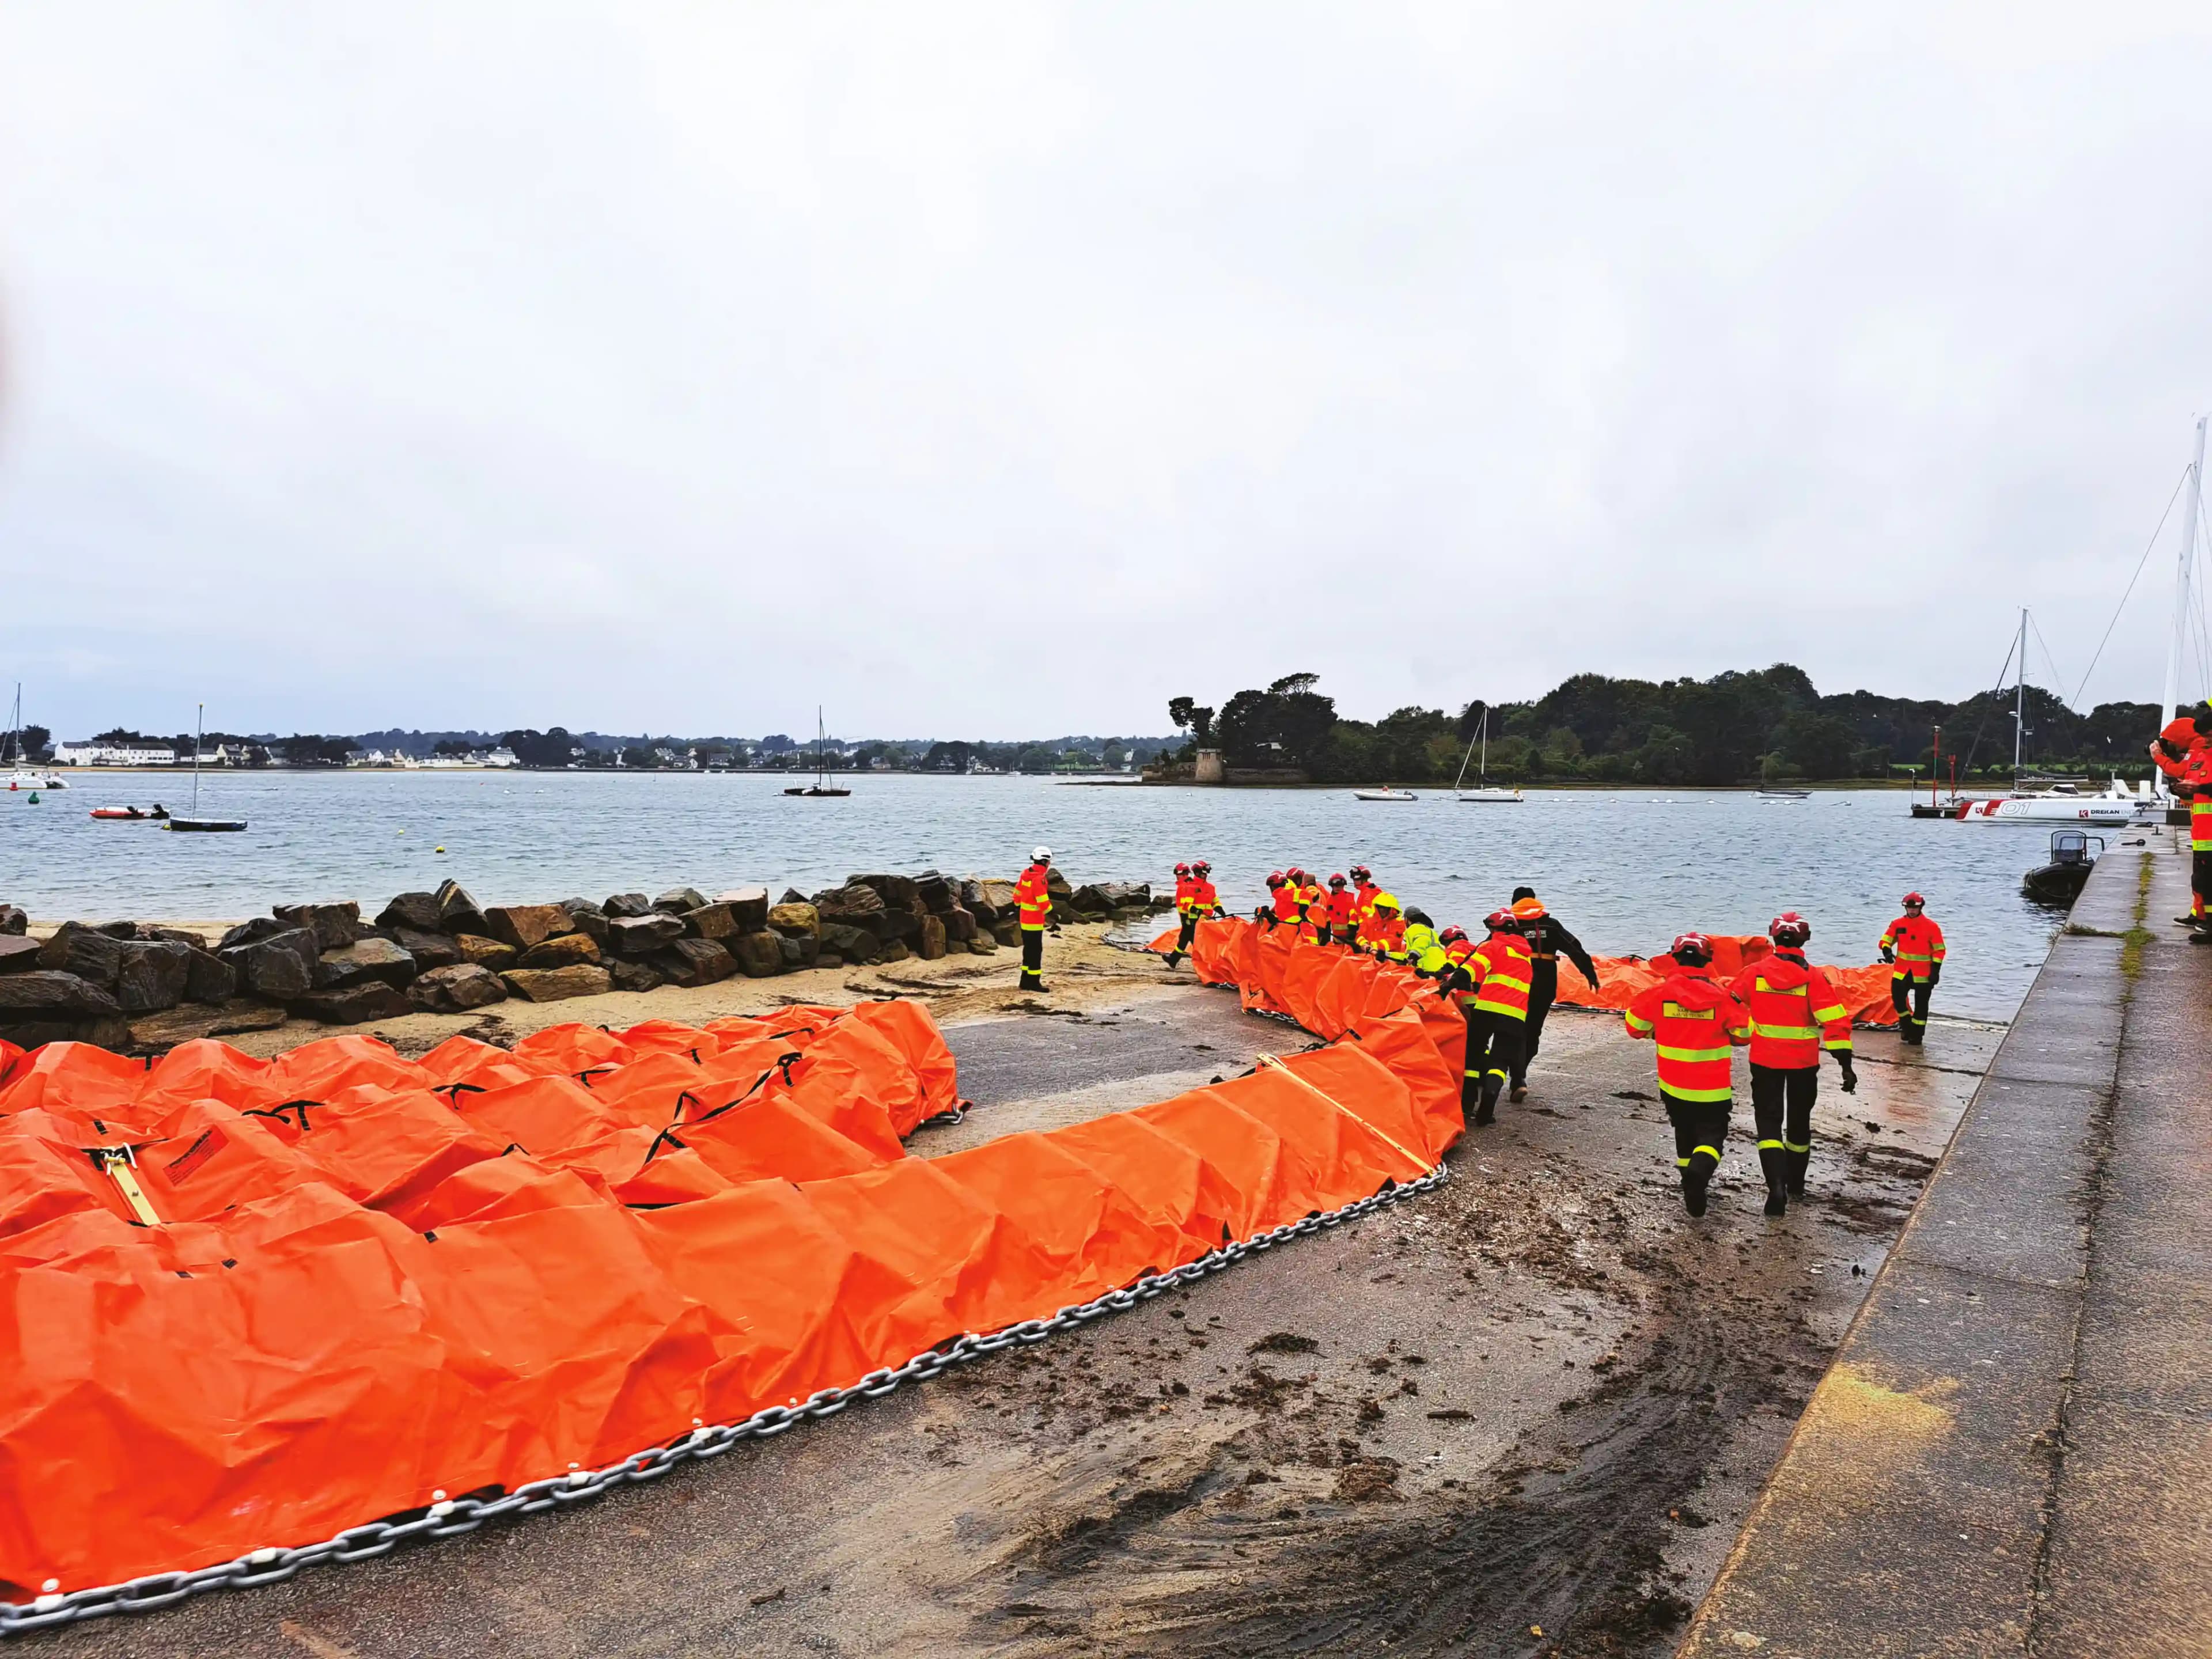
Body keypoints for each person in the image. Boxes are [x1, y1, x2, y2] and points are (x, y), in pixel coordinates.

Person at [1728, 912, 1858, 1215]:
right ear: (1806, 939)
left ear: (1772, 937)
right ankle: (1796, 1184)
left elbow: (1727, 1004)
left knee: (1769, 1124)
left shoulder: (1754, 973)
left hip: (1765, 1060)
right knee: (1799, 1124)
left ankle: (1776, 1185)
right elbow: (1836, 1025)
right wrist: (1846, 1065)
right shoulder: (1815, 978)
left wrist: (1737, 1034)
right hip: (1803, 1063)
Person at [1624, 932, 1752, 1216]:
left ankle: (1689, 1187)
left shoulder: (1659, 994)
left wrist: (1658, 1030)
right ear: (1708, 960)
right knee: (1712, 1136)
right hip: (1712, 1087)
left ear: (1675, 957)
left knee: (1683, 1132)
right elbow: (1744, 1034)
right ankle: (1698, 1176)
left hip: (1673, 1085)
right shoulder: (1723, 997)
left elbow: (1634, 1026)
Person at [1439, 910, 1533, 1126]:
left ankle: (1467, 1104)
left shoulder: (1492, 946)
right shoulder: (1525, 958)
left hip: (1487, 1010)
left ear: (1494, 929)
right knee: (1500, 1061)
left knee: (1474, 1053)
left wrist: (1447, 986)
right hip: (1516, 1016)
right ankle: (1488, 1102)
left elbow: (1469, 971)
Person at [1506, 889, 1600, 1103]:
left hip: (1517, 984)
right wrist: (1590, 974)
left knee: (1513, 1031)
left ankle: (1512, 1076)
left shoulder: (1511, 925)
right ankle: (1518, 1078)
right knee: (1533, 1032)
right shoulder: (1551, 925)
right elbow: (1575, 949)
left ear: (1514, 903)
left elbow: (1487, 949)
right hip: (1545, 984)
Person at [2150, 717, 2212, 929]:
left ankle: (2206, 920)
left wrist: (2158, 758)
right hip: (2202, 829)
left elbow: (2185, 775)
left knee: (2205, 878)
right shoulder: (2199, 753)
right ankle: (2200, 914)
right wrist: (2180, 789)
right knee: (2200, 877)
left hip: (2207, 830)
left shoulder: (2200, 752)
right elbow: (2187, 781)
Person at [1878, 893, 1946, 1046]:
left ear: (1921, 907)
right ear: (1906, 908)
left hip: (1924, 973)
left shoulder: (1931, 927)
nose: (1912, 911)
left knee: (1922, 1006)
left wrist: (1936, 970)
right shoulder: (1897, 924)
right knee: (1898, 1000)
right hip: (1902, 972)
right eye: (1909, 908)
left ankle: (1917, 1035)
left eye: (1915, 908)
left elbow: (1939, 950)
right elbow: (1885, 940)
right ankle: (1906, 1024)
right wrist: (1887, 951)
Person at [1013, 847, 1055, 991]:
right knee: (1036, 952)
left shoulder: (1026, 875)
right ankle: (1034, 983)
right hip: (1035, 921)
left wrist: (1019, 905)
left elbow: (1017, 895)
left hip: (1024, 919)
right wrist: (1054, 915)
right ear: (1044, 862)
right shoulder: (1039, 879)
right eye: (1049, 861)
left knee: (1028, 950)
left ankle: (1025, 981)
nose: (1050, 864)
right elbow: (1043, 902)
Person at [1324, 873, 1357, 946]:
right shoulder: (1330, 900)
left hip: (1349, 937)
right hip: (1336, 937)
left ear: (1343, 886)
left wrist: (1352, 931)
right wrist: (1326, 928)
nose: (1338, 888)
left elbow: (1353, 914)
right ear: (1332, 886)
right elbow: (1328, 916)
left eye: (1340, 886)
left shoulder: (1348, 898)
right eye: (1335, 886)